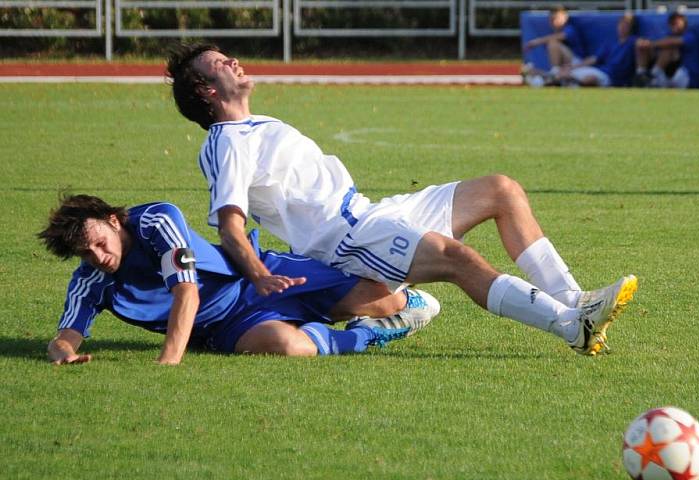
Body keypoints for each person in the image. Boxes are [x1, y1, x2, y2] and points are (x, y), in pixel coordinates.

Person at [165, 43, 639, 356]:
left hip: (371, 212)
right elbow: (229, 223)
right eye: (219, 63)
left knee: (501, 190)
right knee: (457, 259)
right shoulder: (228, 141)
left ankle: (575, 299)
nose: (232, 61)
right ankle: (571, 327)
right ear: (208, 91)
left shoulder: (251, 126)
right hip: (344, 237)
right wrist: (260, 274)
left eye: (227, 55)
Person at [39, 195, 440, 365]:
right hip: (226, 326)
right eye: (85, 254)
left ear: (113, 220)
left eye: (99, 243)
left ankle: (397, 308)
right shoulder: (91, 279)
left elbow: (186, 290)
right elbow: (68, 331)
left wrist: (169, 361)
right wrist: (63, 352)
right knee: (286, 346)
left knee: (380, 296)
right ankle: (368, 335)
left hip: (257, 277)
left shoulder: (156, 220)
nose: (98, 257)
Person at [562, 14, 639, 87]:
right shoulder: (611, 43)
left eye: (626, 24)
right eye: (621, 24)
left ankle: (573, 85)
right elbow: (594, 59)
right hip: (600, 70)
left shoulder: (633, 41)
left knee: (589, 79)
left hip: (612, 77)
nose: (622, 27)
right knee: (564, 74)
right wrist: (574, 67)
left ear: (631, 27)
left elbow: (644, 45)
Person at [521, 6, 587, 86]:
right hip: (564, 67)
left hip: (577, 63)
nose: (554, 22)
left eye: (556, 18)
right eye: (551, 20)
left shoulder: (570, 29)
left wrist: (535, 42)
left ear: (565, 17)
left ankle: (554, 74)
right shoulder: (555, 32)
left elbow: (561, 36)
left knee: (553, 43)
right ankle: (554, 77)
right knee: (528, 70)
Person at [634, 12, 696, 88]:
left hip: (687, 74)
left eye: (677, 23)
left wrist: (651, 44)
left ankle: (654, 76)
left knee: (669, 48)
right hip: (669, 75)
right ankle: (641, 74)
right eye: (672, 23)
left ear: (684, 23)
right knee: (643, 47)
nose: (675, 26)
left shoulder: (690, 35)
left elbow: (672, 42)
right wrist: (645, 45)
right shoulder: (669, 35)